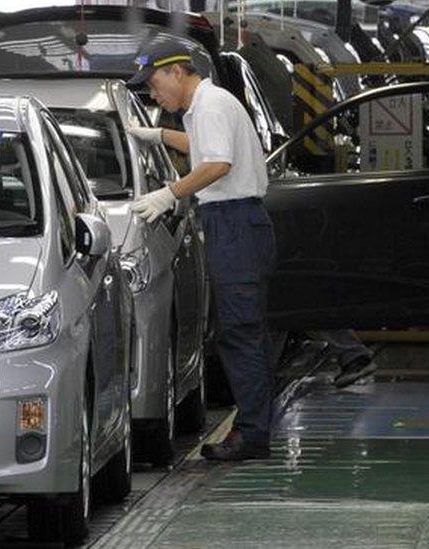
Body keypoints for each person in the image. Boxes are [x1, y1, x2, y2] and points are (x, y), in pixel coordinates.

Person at [127, 42, 276, 461]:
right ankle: (255, 427)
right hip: (237, 224)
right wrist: (157, 135)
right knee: (244, 331)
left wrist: (169, 194)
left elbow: (217, 165)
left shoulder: (208, 105)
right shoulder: (206, 105)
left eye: (155, 86)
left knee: (240, 332)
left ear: (177, 71)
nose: (155, 96)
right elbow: (203, 147)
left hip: (234, 224)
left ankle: (253, 435)